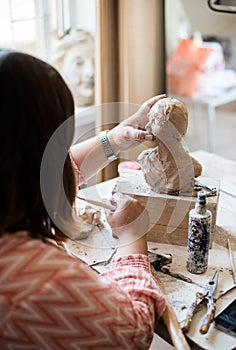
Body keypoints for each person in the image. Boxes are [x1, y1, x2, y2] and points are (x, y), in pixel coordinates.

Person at [0, 49, 166, 349]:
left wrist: (113, 139)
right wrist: (132, 237)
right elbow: (133, 330)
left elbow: (46, 175)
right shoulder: (37, 282)